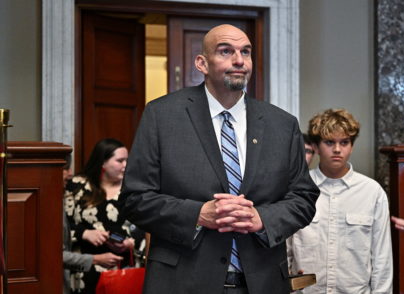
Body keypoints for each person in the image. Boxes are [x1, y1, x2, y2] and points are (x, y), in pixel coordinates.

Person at [120, 24, 319, 294]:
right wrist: (198, 214)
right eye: (226, 51)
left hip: (262, 283)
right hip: (182, 282)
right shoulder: (162, 116)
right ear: (201, 63)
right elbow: (134, 198)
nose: (239, 60)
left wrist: (262, 218)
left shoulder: (282, 124)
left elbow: (304, 197)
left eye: (245, 52)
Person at [288, 109, 393, 293]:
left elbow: (382, 258)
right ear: (315, 146)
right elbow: (285, 251)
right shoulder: (296, 190)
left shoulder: (372, 192)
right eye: (329, 142)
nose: (337, 149)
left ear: (352, 146)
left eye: (344, 142)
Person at [64, 138, 136, 293]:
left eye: (127, 161)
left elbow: (146, 228)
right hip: (84, 269)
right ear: (103, 163)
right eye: (120, 161)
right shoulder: (78, 186)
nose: (126, 165)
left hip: (122, 271)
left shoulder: (132, 190)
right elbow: (61, 225)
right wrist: (85, 233)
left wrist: (131, 243)